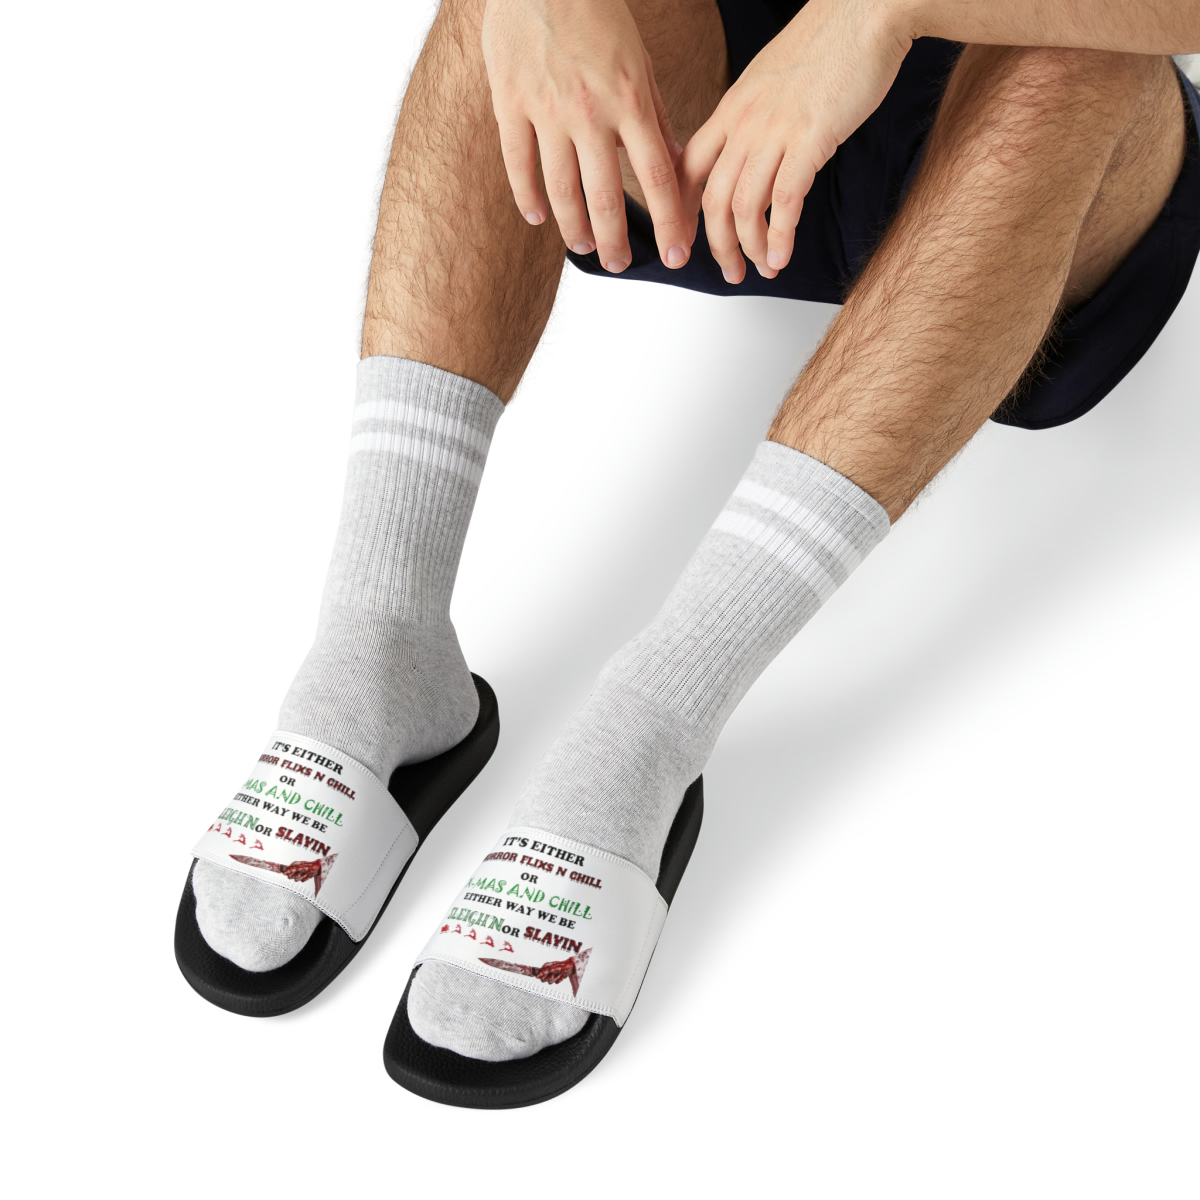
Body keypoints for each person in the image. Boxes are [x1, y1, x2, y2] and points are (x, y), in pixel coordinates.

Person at [180, 0, 1200, 1075]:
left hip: (1041, 143)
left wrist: (877, 15)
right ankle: (382, 636)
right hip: (743, 126)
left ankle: (648, 722)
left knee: (1069, 68)